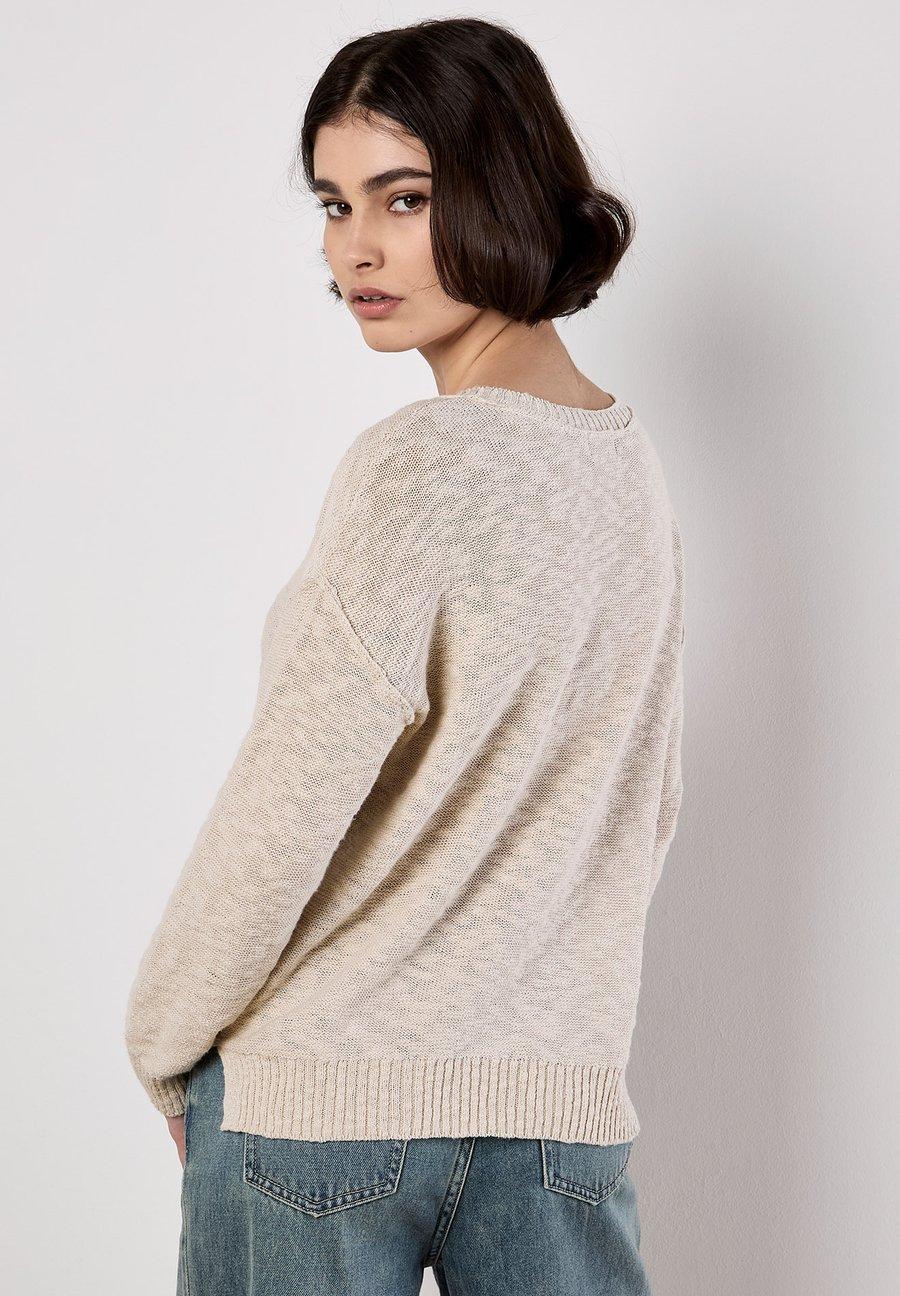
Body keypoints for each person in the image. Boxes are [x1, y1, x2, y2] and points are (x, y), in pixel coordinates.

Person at [124, 16, 685, 1296]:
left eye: (405, 197)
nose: (355, 249)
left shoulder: (418, 463)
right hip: (552, 1109)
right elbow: (646, 804)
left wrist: (162, 1034)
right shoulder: (627, 465)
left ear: (510, 190)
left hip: (320, 1106)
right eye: (335, 204)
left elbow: (288, 798)